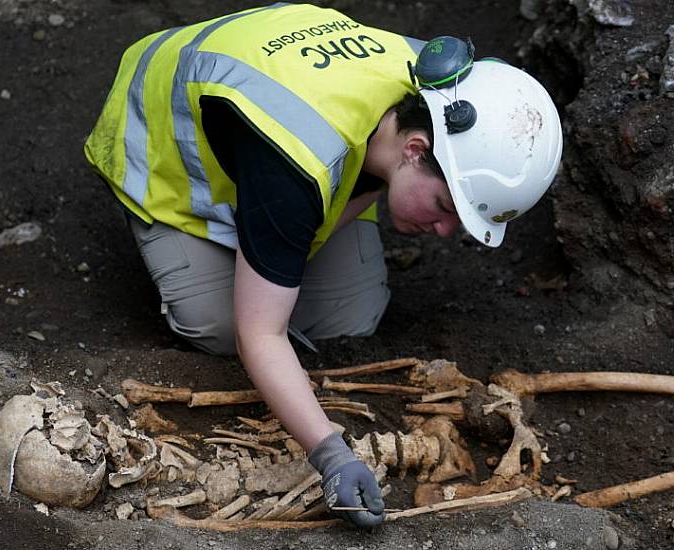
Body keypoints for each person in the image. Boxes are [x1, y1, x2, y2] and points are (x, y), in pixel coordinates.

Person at [84, 3, 562, 528]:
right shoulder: (295, 160)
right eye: (447, 209)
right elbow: (259, 336)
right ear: (415, 149)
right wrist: (330, 453)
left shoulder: (430, 84)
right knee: (224, 328)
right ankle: (220, 243)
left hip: (289, 126)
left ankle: (265, 249)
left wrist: (283, 253)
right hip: (168, 148)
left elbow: (356, 187)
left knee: (347, 319)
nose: (447, 233)